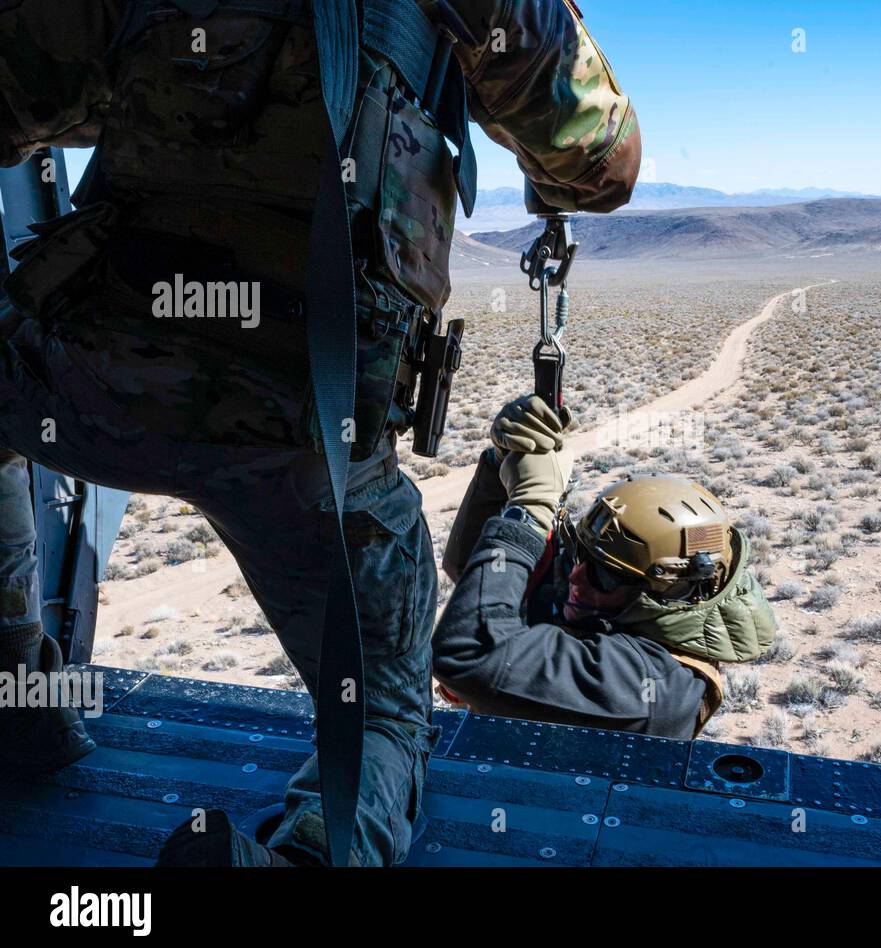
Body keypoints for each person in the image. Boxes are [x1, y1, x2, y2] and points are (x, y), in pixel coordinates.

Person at [0, 0, 639, 866]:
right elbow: (599, 166)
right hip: (304, 428)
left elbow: (21, 95)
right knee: (377, 708)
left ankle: (18, 697)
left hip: (92, 367)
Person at [432, 396, 777, 738]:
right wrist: (502, 464)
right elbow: (469, 572)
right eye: (582, 555)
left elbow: (468, 651)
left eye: (603, 574)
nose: (576, 575)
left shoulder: (651, 687)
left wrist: (528, 510)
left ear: (665, 593)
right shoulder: (614, 606)